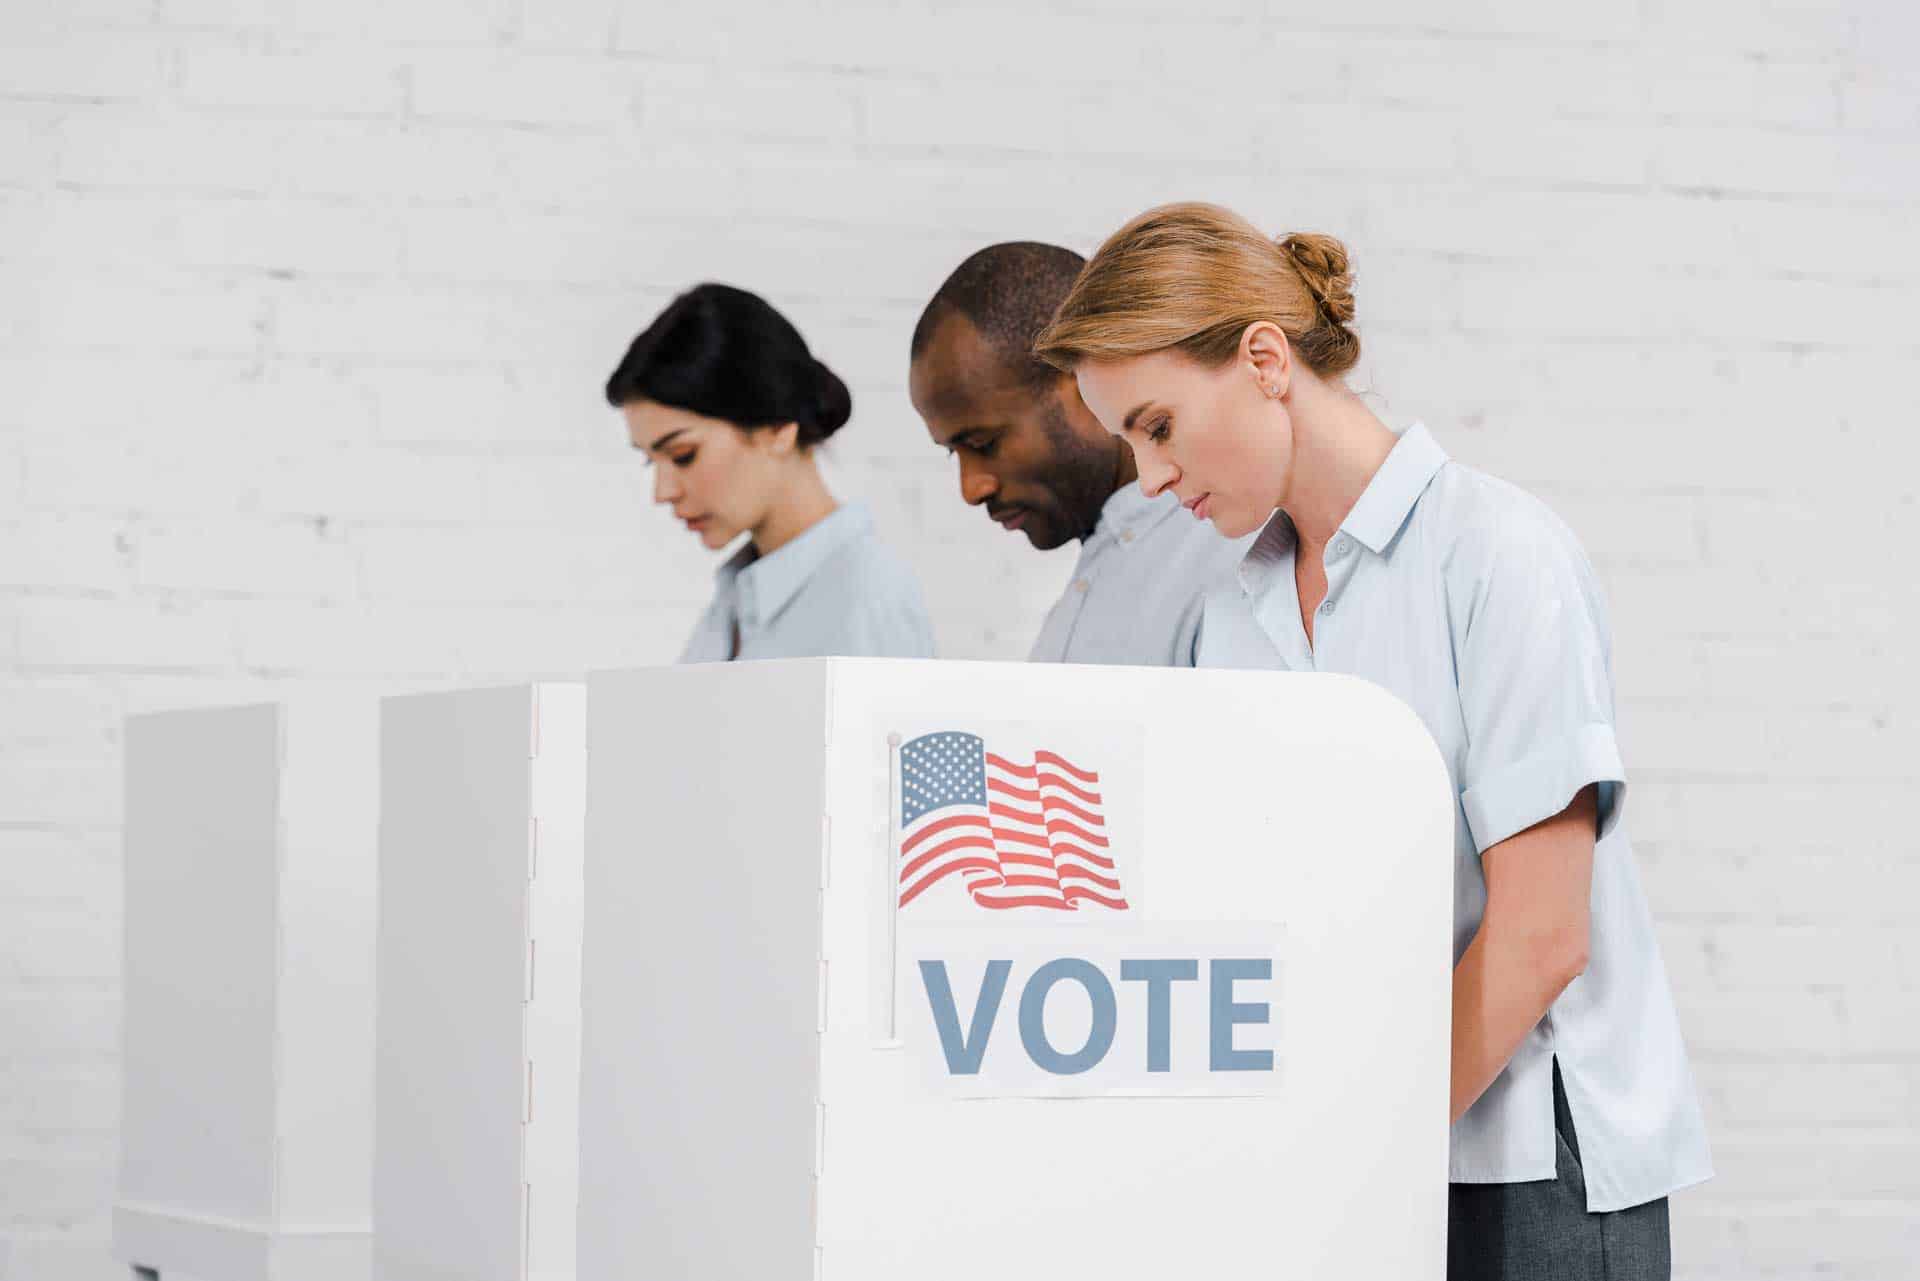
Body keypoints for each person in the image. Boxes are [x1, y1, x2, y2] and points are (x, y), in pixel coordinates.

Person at [1035, 202, 1711, 1280]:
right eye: (1129, 442)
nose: (1151, 477)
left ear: (1264, 360)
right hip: (1355, 1167)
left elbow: (1543, 937)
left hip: (1530, 1171)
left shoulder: (1497, 557)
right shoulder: (1231, 618)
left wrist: (1350, 1158)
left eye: (1157, 426)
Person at [909, 242, 1252, 665]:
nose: (971, 488)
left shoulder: (1230, 568)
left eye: (983, 445)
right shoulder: (1102, 567)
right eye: (953, 453)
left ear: (1085, 384)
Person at [607, 283, 934, 663]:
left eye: (683, 455)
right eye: (651, 460)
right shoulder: (735, 599)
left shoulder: (868, 598)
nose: (662, 492)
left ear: (779, 427)